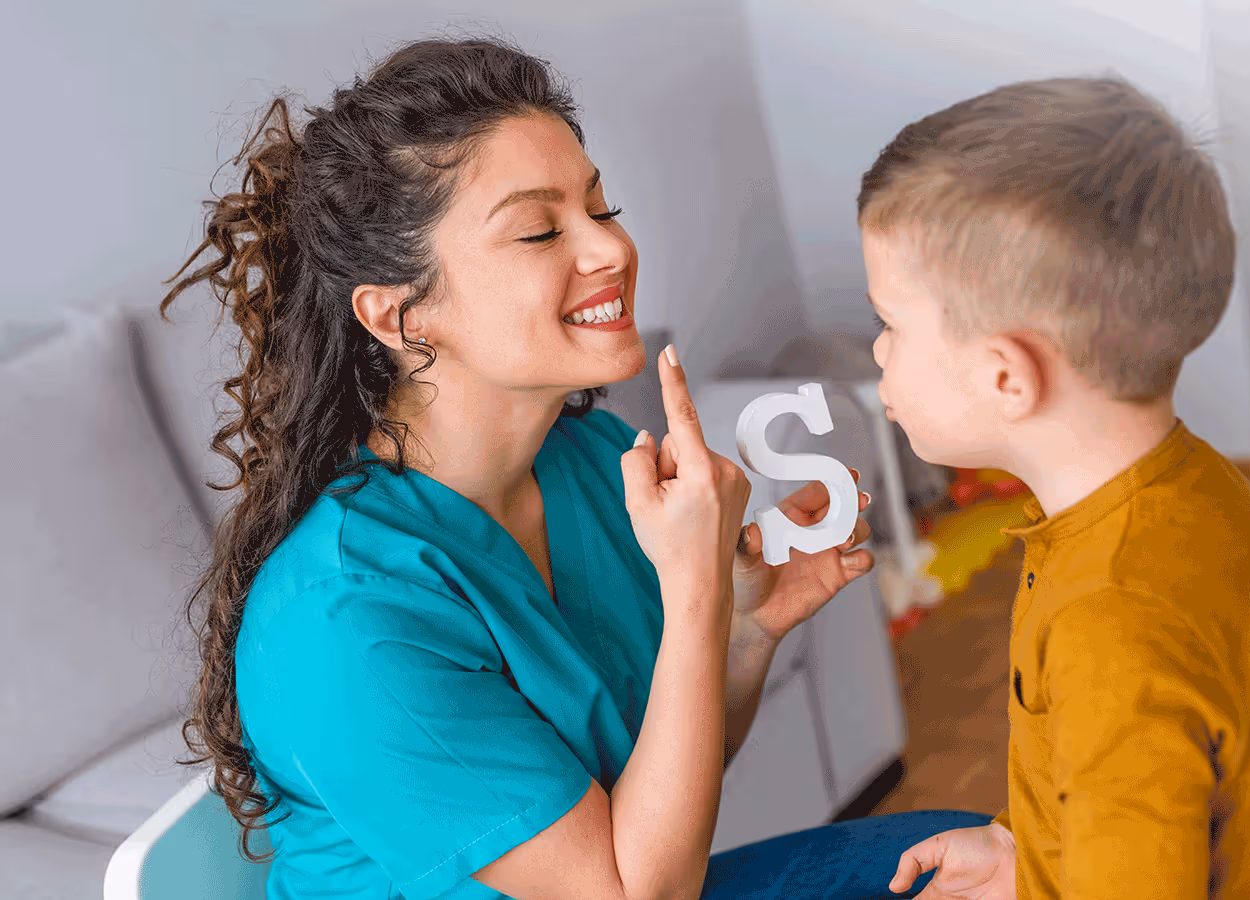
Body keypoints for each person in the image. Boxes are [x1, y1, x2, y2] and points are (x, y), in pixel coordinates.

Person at [161, 36, 990, 900]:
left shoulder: (591, 461)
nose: (611, 250)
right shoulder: (344, 616)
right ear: (400, 315)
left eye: (603, 207)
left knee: (975, 866)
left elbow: (657, 796)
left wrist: (739, 632)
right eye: (539, 229)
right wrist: (694, 592)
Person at [857, 77, 1250, 898]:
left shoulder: (1115, 618)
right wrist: (1023, 849)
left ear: (1005, 376)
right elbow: (1136, 777)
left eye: (889, 323)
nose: (877, 353)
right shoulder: (1182, 481)